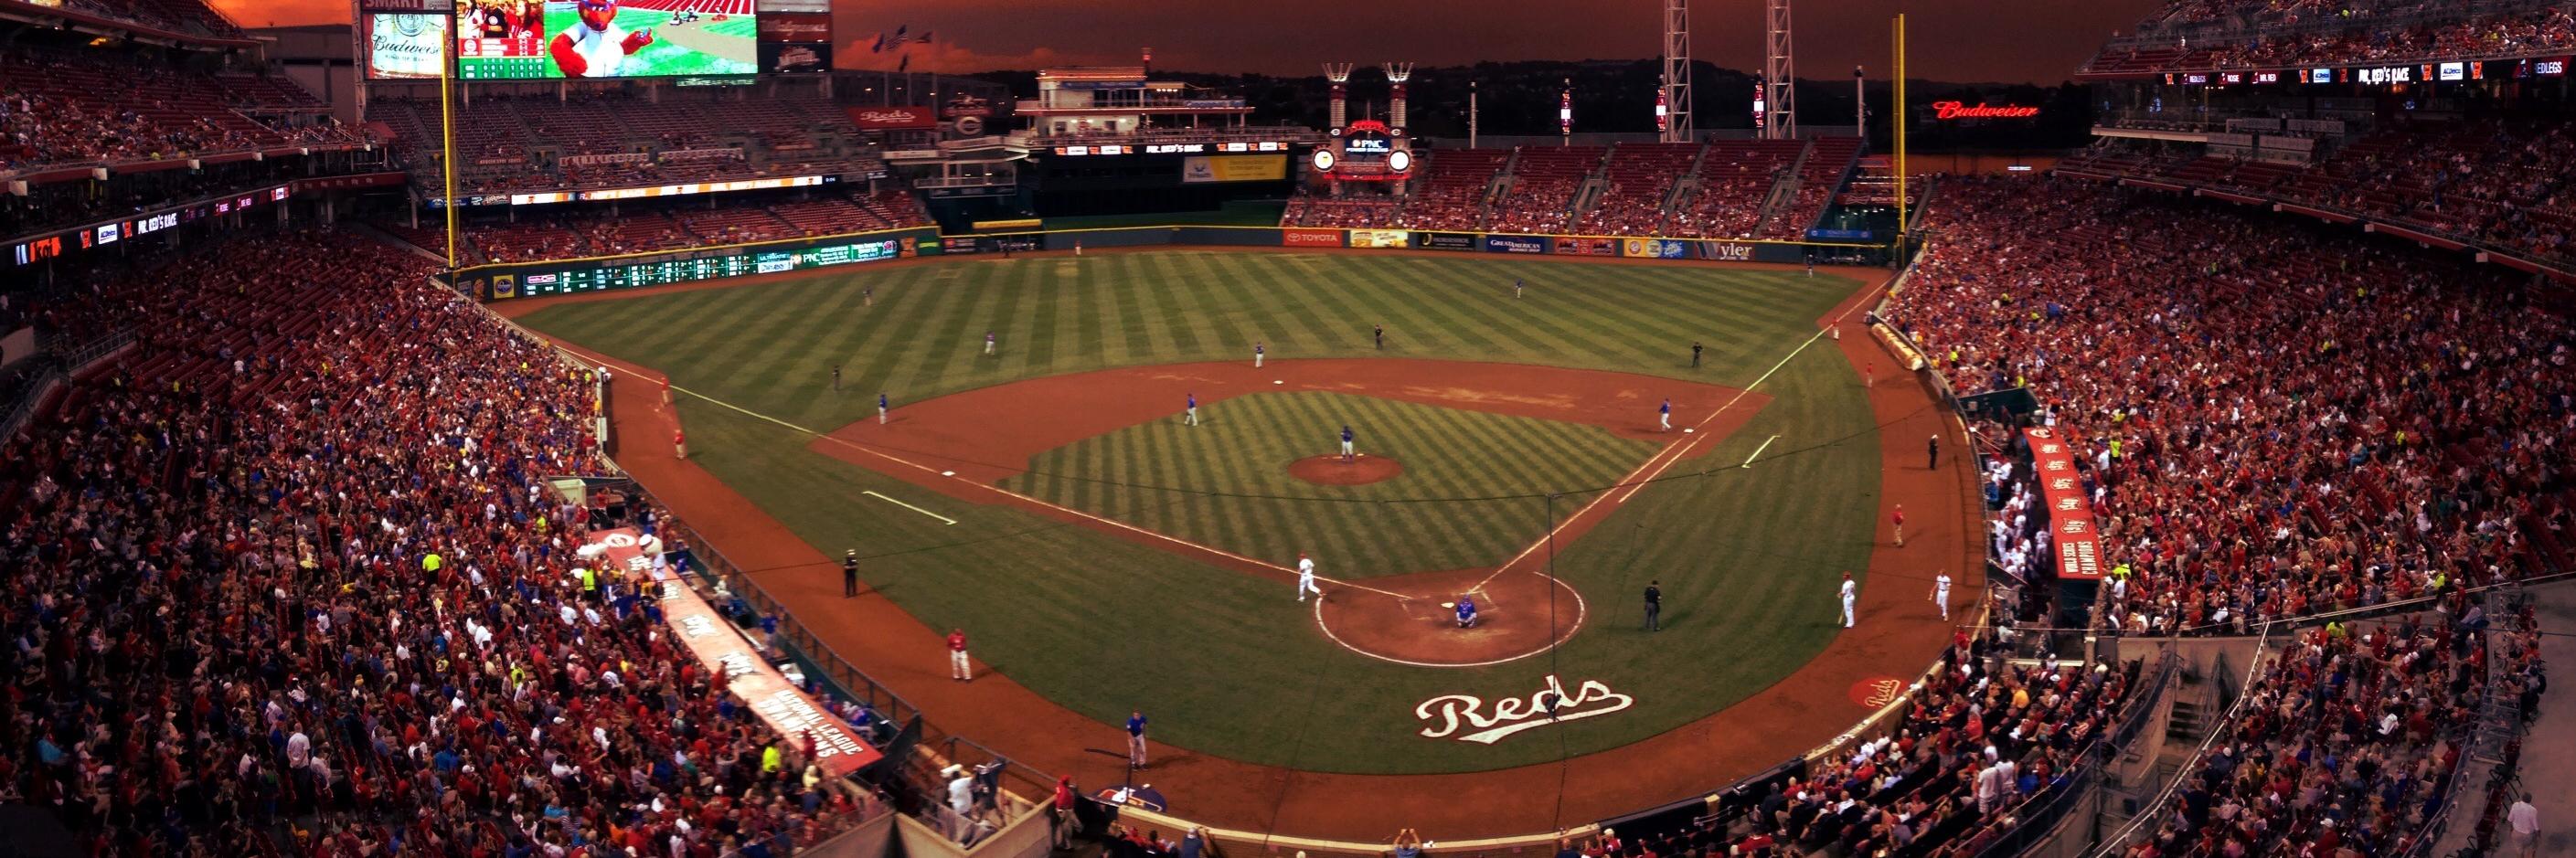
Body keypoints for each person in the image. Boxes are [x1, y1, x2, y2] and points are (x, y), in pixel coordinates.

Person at [548, 0, 655, 78]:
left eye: (603, 9)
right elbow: (559, 44)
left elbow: (625, 48)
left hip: (614, 76)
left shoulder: (613, 28)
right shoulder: (582, 27)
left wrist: (636, 41)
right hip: (585, 76)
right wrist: (573, 63)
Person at [2509, 794, 2539, 858]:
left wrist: (2511, 830)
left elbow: (2510, 819)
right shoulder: (2533, 810)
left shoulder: (2515, 805)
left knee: (2519, 849)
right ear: (2530, 800)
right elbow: (2536, 827)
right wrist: (2538, 834)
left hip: (2516, 833)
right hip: (2528, 835)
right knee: (2531, 847)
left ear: (2522, 798)